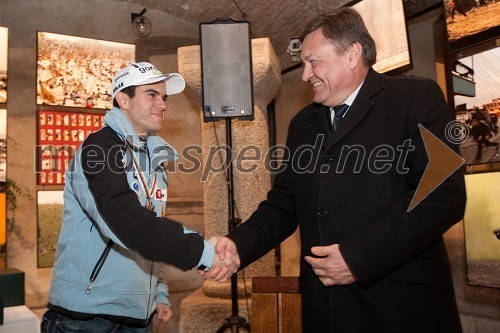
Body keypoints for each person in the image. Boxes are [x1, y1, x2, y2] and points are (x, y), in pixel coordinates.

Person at [206, 8, 467, 332]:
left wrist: (359, 256)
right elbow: (284, 204)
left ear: (352, 54)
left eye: (313, 61)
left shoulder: (416, 97)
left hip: (401, 308)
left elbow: (442, 192)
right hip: (326, 311)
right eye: (303, 63)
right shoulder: (303, 124)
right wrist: (239, 244)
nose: (305, 74)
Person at [41, 62, 238, 333]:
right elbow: (127, 223)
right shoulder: (99, 148)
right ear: (123, 99)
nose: (163, 104)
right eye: (152, 94)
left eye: (164, 97)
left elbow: (151, 225)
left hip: (137, 318)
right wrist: (202, 252)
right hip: (88, 318)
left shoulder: (154, 158)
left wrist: (156, 293)